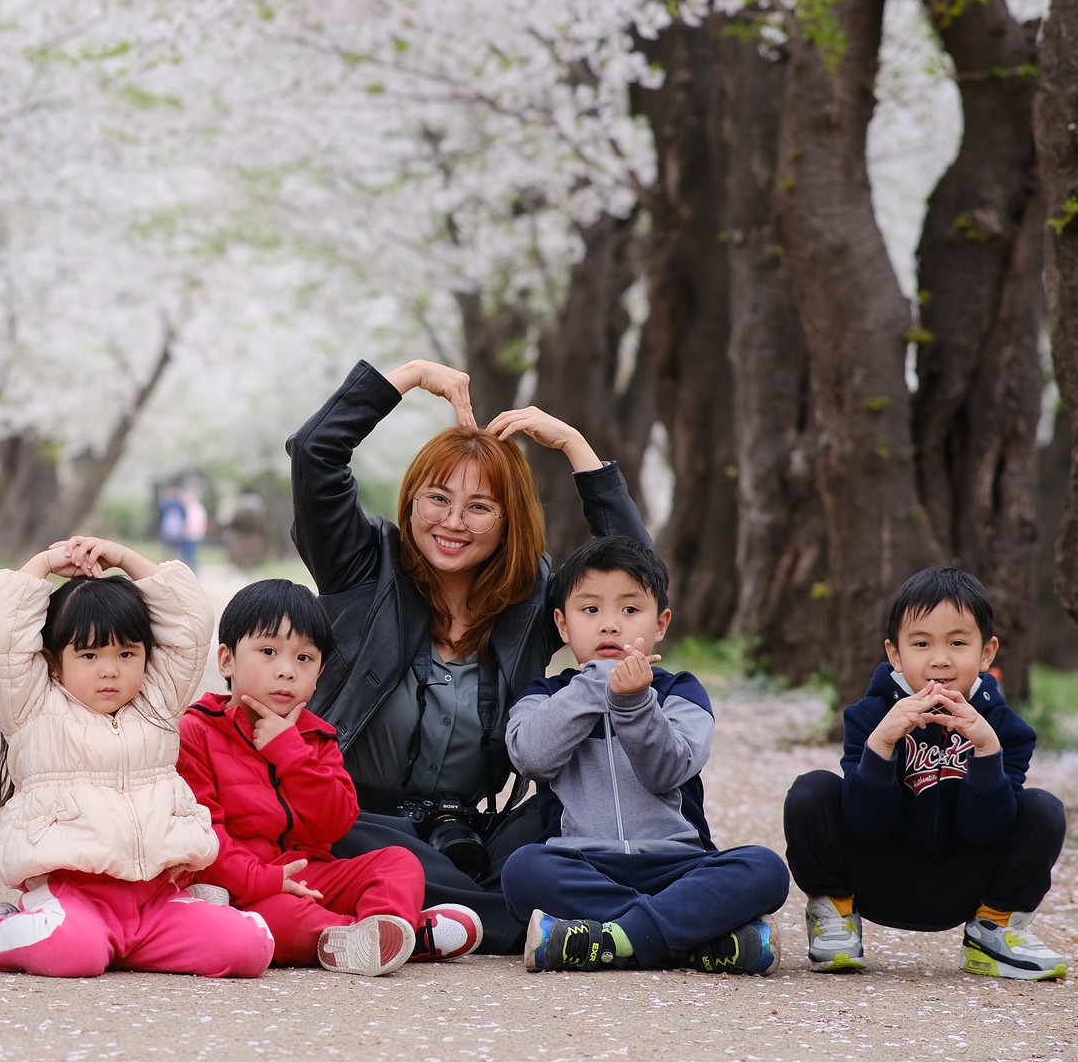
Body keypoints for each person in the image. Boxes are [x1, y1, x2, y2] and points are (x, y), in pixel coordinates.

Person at [289, 358, 650, 954]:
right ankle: (516, 918)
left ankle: (451, 913)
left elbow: (634, 583)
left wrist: (576, 447)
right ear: (412, 501)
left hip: (470, 831)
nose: (452, 522)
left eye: (479, 507)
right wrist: (409, 376)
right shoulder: (362, 566)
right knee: (327, 828)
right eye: (438, 498)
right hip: (358, 821)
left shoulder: (532, 600)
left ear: (508, 521)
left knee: (561, 815)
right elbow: (314, 454)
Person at [0, 537, 274, 978]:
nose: (110, 669)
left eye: (126, 653)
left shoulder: (157, 702)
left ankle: (125, 941)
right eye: (89, 654)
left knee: (250, 947)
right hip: (73, 895)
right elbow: (0, 636)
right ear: (53, 662)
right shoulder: (31, 707)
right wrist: (44, 562)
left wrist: (123, 557)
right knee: (74, 952)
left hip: (157, 898)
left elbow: (190, 623)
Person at [503, 537, 790, 974]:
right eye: (590, 609)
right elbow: (531, 758)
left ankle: (611, 940)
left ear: (661, 623)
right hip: (584, 864)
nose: (609, 626)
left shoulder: (680, 692)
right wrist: (598, 683)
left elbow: (667, 771)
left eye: (630, 610)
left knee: (765, 869)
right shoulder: (545, 696)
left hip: (678, 865)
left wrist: (635, 704)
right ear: (562, 624)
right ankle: (693, 940)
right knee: (523, 870)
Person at [177, 578, 482, 976]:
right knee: (277, 919)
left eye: (304, 658)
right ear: (227, 660)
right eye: (268, 652)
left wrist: (291, 754)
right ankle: (395, 936)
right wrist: (266, 880)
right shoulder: (197, 732)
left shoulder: (316, 736)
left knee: (399, 863)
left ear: (320, 672)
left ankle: (383, 931)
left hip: (311, 873)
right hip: (243, 888)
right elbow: (205, 839)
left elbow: (336, 822)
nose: (287, 671)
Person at [781, 566, 1068, 979]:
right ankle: (835, 916)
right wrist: (882, 744)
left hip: (962, 882)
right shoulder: (869, 718)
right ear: (895, 654)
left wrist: (987, 751)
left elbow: (987, 831)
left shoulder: (1007, 731)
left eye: (958, 642)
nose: (940, 659)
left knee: (1043, 808)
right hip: (877, 876)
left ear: (986, 653)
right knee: (811, 791)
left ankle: (994, 929)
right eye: (921, 643)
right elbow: (865, 822)